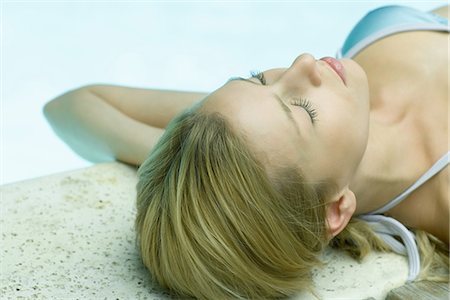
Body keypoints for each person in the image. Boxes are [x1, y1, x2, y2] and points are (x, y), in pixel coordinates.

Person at [44, 5, 449, 299]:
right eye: (304, 112)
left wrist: (183, 160)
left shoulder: (250, 132)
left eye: (257, 79)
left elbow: (71, 106)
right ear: (334, 211)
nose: (303, 64)